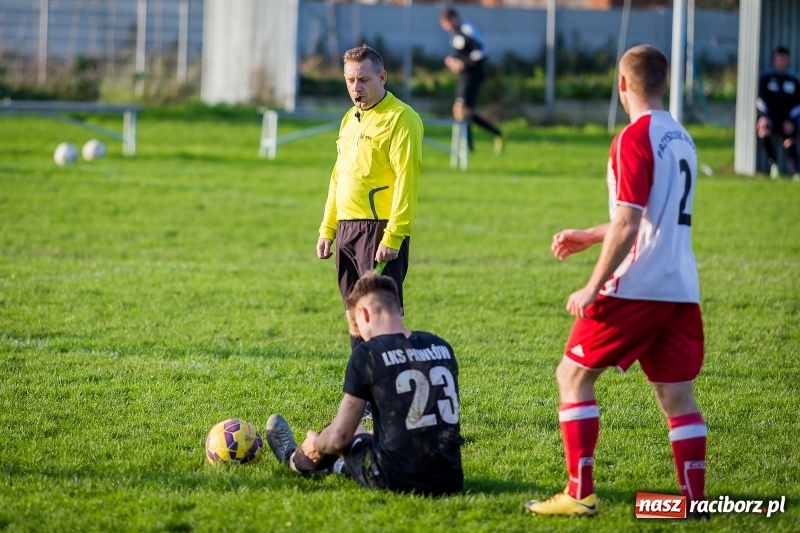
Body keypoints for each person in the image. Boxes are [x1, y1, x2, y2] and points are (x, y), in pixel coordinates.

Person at [524, 45, 707, 517]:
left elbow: (629, 223)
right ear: (663, 83)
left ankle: (579, 494)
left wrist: (591, 285)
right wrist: (590, 234)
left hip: (637, 284)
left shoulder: (633, 137)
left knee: (573, 375)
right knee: (677, 396)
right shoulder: (682, 137)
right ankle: (694, 503)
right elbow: (653, 220)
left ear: (622, 85)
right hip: (681, 286)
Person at [265, 273, 463, 496]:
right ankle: (336, 466)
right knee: (366, 433)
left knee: (340, 433)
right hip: (450, 478)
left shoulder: (368, 354)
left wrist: (317, 443)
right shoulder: (441, 346)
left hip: (396, 479)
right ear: (398, 308)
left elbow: (340, 436)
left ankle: (293, 458)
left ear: (364, 314)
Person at [317, 45, 423, 351]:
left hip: (378, 230)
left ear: (382, 77)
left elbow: (407, 178)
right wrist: (328, 228)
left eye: (363, 79)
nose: (355, 88)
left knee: (379, 315)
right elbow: (338, 176)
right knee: (354, 313)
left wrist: (394, 234)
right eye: (350, 80)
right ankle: (364, 390)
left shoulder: (401, 118)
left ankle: (390, 389)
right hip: (347, 230)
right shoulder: (350, 118)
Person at [438, 7, 503, 154]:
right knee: (464, 111)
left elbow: (482, 50)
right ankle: (478, 142)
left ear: (454, 19)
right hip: (465, 75)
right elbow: (461, 53)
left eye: (446, 23)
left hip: (473, 74)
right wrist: (453, 61)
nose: (445, 28)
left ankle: (471, 146)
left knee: (461, 109)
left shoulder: (467, 29)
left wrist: (463, 63)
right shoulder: (455, 33)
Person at [756, 45, 800, 179]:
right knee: (763, 129)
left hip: (787, 120)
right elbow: (759, 99)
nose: (781, 62)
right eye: (778, 59)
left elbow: (798, 104)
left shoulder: (794, 80)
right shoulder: (766, 78)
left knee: (789, 138)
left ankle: (795, 172)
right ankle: (773, 166)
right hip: (770, 118)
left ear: (789, 60)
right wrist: (764, 116)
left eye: (784, 59)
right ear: (774, 60)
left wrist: (791, 121)